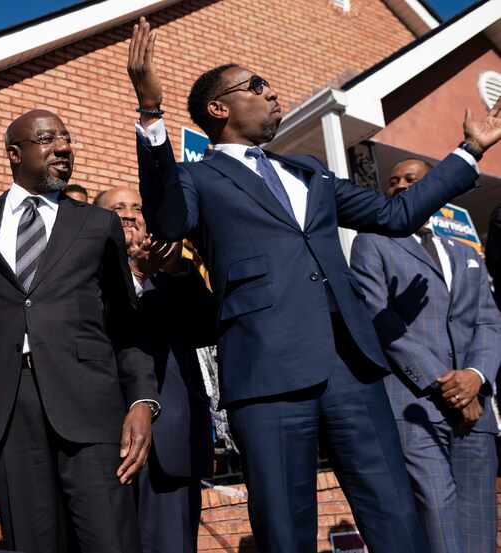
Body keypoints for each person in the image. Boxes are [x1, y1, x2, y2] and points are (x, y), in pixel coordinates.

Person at [127, 17, 501, 552]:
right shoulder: (198, 177)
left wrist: (468, 153)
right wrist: (149, 111)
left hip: (351, 366)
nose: (270, 91)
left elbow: (395, 215)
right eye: (256, 85)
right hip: (267, 374)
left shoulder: (308, 171)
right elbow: (165, 218)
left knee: (396, 520)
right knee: (286, 529)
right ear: (219, 108)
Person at [0, 109, 158, 553]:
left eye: (67, 140)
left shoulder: (96, 223)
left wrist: (143, 400)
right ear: (15, 154)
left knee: (110, 541)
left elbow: (127, 324)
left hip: (90, 405)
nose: (64, 148)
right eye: (49, 139)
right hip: (10, 411)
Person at [350, 158, 501, 553]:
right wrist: (449, 385)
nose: (399, 185)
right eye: (393, 181)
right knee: (437, 520)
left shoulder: (465, 251)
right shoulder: (373, 242)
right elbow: (380, 320)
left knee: (478, 529)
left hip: (476, 409)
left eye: (411, 180)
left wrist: (475, 376)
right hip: (416, 407)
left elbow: (488, 322)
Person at [97, 186, 214, 553]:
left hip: (172, 443)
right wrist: (130, 275)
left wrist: (171, 267)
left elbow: (208, 327)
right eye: (118, 208)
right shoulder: (82, 280)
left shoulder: (173, 278)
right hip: (107, 444)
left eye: (137, 208)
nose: (130, 215)